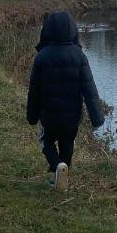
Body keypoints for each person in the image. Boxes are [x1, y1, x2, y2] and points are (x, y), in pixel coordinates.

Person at [26, 10, 104, 192]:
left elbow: (34, 90)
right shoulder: (79, 56)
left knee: (46, 142)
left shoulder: (42, 57)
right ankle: (64, 173)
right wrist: (97, 117)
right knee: (67, 143)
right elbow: (90, 89)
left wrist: (32, 115)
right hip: (72, 116)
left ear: (47, 31)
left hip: (49, 115)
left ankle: (57, 167)